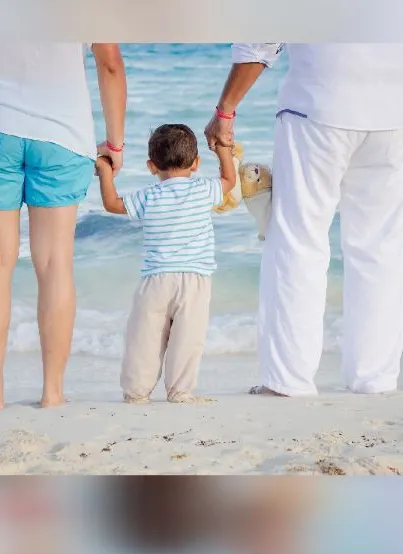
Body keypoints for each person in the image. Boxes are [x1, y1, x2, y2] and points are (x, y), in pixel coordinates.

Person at [205, 43, 403, 397]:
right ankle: (374, 377)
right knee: (380, 248)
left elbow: (259, 43)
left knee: (298, 240)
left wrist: (225, 111)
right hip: (393, 114)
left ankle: (288, 380)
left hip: (318, 106)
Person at [0, 43, 126, 409]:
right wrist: (115, 144)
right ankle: (52, 393)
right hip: (63, 135)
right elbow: (111, 65)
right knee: (55, 265)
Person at [96, 123, 235, 404]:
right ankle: (180, 391)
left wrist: (105, 171)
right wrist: (223, 150)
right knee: (188, 338)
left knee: (144, 337)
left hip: (156, 279)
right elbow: (230, 180)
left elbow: (112, 204)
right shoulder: (204, 190)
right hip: (195, 278)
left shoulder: (148, 196)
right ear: (195, 164)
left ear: (151, 166)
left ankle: (136, 392)